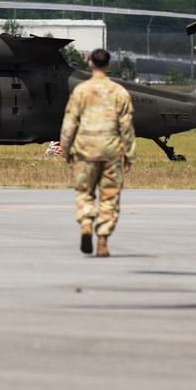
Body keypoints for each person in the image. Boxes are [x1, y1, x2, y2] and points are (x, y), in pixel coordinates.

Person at [60, 48, 135, 258]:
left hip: (85, 150)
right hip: (111, 151)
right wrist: (128, 154)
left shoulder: (80, 91)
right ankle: (102, 240)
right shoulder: (120, 92)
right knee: (109, 196)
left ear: (90, 64)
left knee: (84, 192)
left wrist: (66, 150)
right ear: (109, 65)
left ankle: (86, 224)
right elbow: (127, 127)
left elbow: (69, 124)